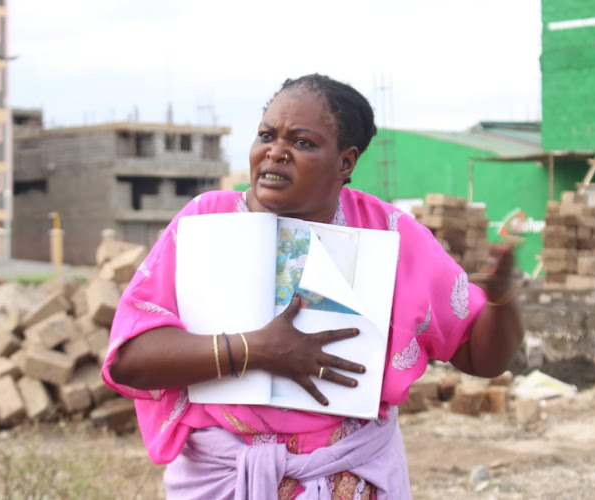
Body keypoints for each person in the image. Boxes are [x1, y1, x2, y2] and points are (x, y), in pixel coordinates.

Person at [102, 73, 524, 499]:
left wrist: (503, 301)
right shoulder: (205, 223)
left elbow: (481, 357)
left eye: (302, 142)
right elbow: (129, 361)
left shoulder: (393, 238)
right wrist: (255, 349)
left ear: (346, 162)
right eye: (266, 135)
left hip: (350, 477)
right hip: (223, 481)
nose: (276, 152)